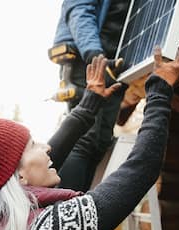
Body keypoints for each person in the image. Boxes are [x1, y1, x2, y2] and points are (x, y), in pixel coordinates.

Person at [0, 47, 179, 230]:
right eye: (33, 145)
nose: (47, 147)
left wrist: (89, 105)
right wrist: (160, 92)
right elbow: (141, 168)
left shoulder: (8, 224)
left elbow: (47, 153)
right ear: (18, 178)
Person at [52, 0, 131, 192]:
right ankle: (65, 210)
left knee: (101, 142)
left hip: (115, 65)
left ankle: (83, 203)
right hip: (87, 60)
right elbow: (78, 10)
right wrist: (95, 55)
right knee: (84, 140)